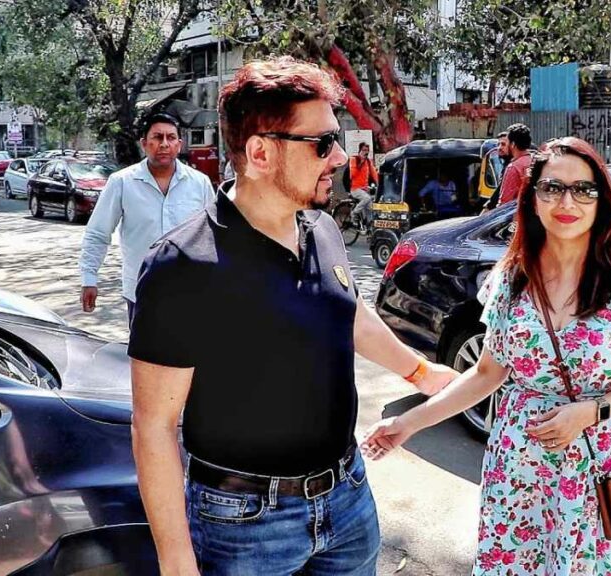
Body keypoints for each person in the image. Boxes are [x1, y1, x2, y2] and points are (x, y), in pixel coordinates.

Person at [127, 57, 458, 576]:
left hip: (348, 501)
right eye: (322, 142)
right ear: (260, 152)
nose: (340, 156)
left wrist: (421, 372)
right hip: (243, 524)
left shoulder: (321, 228)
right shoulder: (183, 265)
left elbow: (347, 313)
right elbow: (154, 425)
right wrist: (176, 561)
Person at [364, 137, 611, 575]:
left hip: (593, 459)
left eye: (583, 189)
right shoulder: (512, 276)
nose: (567, 201)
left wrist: (589, 411)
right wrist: (407, 423)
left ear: (602, 199)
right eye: (552, 188)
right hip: (516, 463)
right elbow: (486, 373)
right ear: (531, 198)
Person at [78, 112, 214, 322]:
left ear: (179, 144)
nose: (164, 144)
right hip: (141, 292)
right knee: (144, 355)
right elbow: (98, 233)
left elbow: (212, 237)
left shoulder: (200, 183)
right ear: (144, 143)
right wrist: (89, 278)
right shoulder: (122, 182)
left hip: (190, 293)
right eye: (157, 137)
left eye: (170, 138)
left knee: (188, 356)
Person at [495, 123, 532, 206]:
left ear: (513, 144)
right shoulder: (536, 161)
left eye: (506, 142)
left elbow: (504, 202)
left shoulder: (513, 167)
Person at [344, 142, 378, 229]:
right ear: (360, 150)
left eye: (367, 150)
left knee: (371, 207)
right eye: (364, 150)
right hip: (355, 189)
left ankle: (369, 227)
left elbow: (374, 174)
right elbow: (352, 174)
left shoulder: (368, 162)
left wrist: (379, 183)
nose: (365, 152)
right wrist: (360, 162)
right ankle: (354, 213)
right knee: (367, 198)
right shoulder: (354, 159)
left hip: (364, 189)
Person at [481, 131, 512, 214]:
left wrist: (488, 207)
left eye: (503, 144)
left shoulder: (513, 166)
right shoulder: (506, 164)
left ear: (512, 146)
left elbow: (500, 191)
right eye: (498, 144)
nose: (499, 148)